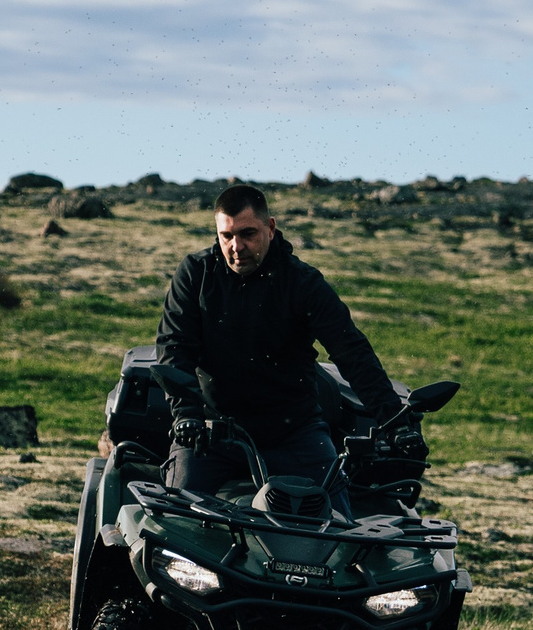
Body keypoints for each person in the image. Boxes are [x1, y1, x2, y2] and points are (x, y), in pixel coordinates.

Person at [156, 183, 401, 519]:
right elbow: (174, 348)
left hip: (293, 433)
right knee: (173, 521)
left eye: (247, 234)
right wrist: (187, 414)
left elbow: (351, 350)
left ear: (270, 228)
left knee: (342, 530)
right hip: (210, 432)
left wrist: (395, 419)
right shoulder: (195, 274)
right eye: (226, 236)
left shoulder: (303, 283)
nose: (236, 247)